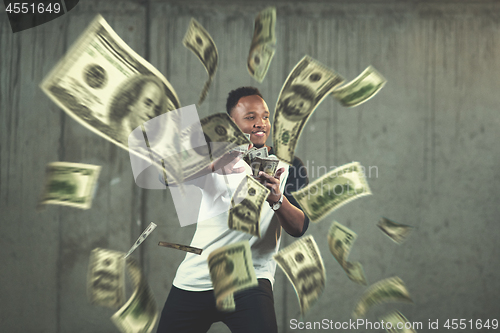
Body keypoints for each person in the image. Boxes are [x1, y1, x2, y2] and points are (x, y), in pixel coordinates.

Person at [156, 87, 310, 333]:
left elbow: (299, 226)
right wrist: (214, 164)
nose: (261, 123)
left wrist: (278, 200)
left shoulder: (288, 167)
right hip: (197, 278)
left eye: (265, 116)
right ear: (232, 123)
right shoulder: (212, 156)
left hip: (251, 279)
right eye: (250, 117)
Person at [108, 75, 168, 144]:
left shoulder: (144, 149)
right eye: (147, 104)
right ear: (131, 102)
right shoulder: (108, 134)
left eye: (156, 110)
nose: (151, 114)